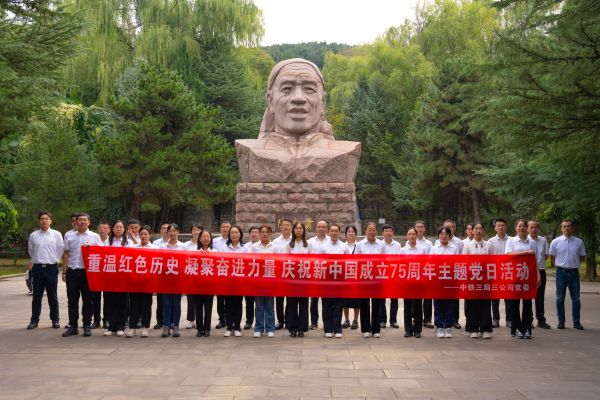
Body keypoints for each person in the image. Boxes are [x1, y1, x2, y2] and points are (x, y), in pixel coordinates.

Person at [62, 212, 103, 337]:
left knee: (87, 300)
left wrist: (92, 248)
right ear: (76, 222)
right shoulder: (69, 236)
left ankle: (86, 325)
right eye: (80, 220)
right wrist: (64, 271)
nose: (82, 222)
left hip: (87, 273)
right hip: (72, 271)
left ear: (89, 222)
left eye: (85, 220)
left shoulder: (94, 236)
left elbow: (101, 252)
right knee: (72, 300)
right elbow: (66, 254)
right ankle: (73, 326)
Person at [26, 211, 64, 330]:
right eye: (42, 219)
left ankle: (55, 320)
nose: (44, 221)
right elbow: (31, 251)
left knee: (52, 295)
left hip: (51, 268)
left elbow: (60, 249)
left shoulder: (56, 234)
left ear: (50, 221)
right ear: (39, 221)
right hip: (37, 268)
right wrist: (36, 260)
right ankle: (34, 321)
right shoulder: (34, 235)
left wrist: (53, 259)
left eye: (46, 219)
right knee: (36, 296)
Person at [505, 219, 540, 339]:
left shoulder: (532, 242)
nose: (521, 228)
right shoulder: (511, 240)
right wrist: (526, 252)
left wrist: (538, 275)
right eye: (519, 226)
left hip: (528, 276)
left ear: (527, 228)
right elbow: (509, 254)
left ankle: (527, 329)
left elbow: (536, 260)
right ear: (515, 228)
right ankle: (516, 329)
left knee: (527, 304)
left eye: (524, 226)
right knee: (514, 304)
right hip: (514, 275)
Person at [550, 219, 586, 330]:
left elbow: (582, 257)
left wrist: (573, 264)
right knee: (560, 298)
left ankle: (576, 322)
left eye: (569, 226)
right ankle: (561, 322)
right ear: (561, 228)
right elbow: (552, 257)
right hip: (561, 272)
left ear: (572, 228)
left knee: (576, 298)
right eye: (564, 226)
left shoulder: (579, 242)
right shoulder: (556, 242)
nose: (567, 228)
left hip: (574, 272)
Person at [463, 223, 493, 339]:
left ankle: (485, 329)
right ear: (472, 231)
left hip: (485, 279)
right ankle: (473, 329)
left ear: (483, 231)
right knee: (472, 305)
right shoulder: (467, 245)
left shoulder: (489, 245)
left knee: (485, 304)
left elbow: (493, 261)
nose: (479, 230)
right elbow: (464, 262)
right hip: (472, 280)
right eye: (476, 228)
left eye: (481, 228)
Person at [321, 223, 350, 338]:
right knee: (326, 305)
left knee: (338, 306)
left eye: (336, 231)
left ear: (339, 232)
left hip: (339, 281)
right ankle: (328, 329)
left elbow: (348, 263)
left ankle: (337, 329)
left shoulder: (344, 247)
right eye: (332, 231)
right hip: (327, 281)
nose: (334, 233)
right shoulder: (323, 247)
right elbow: (320, 263)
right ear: (329, 232)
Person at [249, 224, 279, 338]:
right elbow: (251, 263)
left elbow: (278, 264)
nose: (265, 234)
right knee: (259, 306)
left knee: (270, 306)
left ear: (270, 234)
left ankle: (270, 328)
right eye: (263, 232)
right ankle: (259, 328)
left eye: (267, 232)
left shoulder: (275, 247)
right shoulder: (254, 247)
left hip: (270, 280)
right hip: (258, 281)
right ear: (260, 234)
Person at [355, 222, 384, 338]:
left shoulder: (381, 245)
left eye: (373, 230)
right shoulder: (359, 244)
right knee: (364, 304)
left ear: (376, 231)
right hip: (364, 278)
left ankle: (376, 329)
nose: (372, 232)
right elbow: (355, 261)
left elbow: (385, 260)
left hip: (377, 279)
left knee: (377, 304)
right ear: (365, 231)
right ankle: (365, 329)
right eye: (369, 230)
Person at [431, 226, 459, 338]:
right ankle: (439, 326)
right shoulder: (434, 248)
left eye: (446, 234)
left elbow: (457, 264)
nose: (443, 236)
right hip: (438, 281)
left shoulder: (454, 248)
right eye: (441, 234)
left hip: (450, 281)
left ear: (449, 236)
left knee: (450, 304)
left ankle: (448, 327)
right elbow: (430, 264)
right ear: (438, 236)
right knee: (438, 304)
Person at [126, 226, 154, 338]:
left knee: (146, 305)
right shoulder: (133, 248)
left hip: (148, 282)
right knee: (133, 304)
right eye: (141, 234)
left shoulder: (155, 248)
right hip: (135, 282)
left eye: (146, 234)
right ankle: (132, 327)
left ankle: (145, 327)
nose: (143, 236)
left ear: (149, 235)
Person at [160, 223, 187, 338]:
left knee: (176, 303)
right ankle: (166, 326)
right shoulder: (162, 247)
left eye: (174, 231)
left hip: (178, 280)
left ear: (178, 232)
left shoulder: (183, 247)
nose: (172, 233)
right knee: (166, 303)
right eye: (170, 231)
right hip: (166, 279)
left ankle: (176, 325)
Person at [400, 227, 428, 338]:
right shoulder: (403, 250)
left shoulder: (422, 249)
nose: (411, 236)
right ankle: (408, 329)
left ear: (416, 236)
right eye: (409, 234)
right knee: (407, 306)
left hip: (418, 281)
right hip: (407, 282)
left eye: (413, 234)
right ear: (407, 236)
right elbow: (400, 266)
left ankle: (417, 330)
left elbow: (426, 265)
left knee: (417, 306)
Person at [103, 220, 129, 337]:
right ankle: (111, 326)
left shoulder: (128, 243)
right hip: (109, 277)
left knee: (122, 302)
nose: (118, 229)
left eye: (121, 227)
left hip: (123, 277)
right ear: (112, 229)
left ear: (124, 229)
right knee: (110, 301)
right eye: (116, 227)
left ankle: (120, 326)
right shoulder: (107, 242)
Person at [286, 222, 310, 337]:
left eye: (301, 228)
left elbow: (312, 261)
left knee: (304, 304)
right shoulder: (289, 245)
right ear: (293, 230)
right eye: (296, 228)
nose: (299, 230)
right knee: (291, 304)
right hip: (292, 279)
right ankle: (292, 328)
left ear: (303, 230)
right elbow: (285, 262)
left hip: (304, 279)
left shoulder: (308, 244)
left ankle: (302, 328)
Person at [488, 218, 511, 328]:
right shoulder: (491, 241)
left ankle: (509, 319)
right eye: (498, 225)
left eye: (502, 225)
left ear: (506, 227)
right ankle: (495, 319)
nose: (501, 227)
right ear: (495, 228)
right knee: (495, 297)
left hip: (508, 271)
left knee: (508, 297)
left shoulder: (511, 240)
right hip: (496, 272)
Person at [222, 225, 245, 337]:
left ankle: (237, 327)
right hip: (227, 281)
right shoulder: (224, 248)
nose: (234, 234)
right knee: (228, 304)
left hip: (240, 281)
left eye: (236, 232)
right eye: (232, 233)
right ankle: (229, 327)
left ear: (240, 234)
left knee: (238, 304)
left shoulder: (245, 248)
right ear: (229, 235)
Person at [528, 220, 551, 329]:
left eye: (535, 227)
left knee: (540, 297)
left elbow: (545, 256)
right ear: (528, 228)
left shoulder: (543, 240)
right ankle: (528, 320)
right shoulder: (525, 240)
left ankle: (541, 320)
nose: (533, 229)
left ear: (538, 228)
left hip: (541, 271)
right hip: (527, 272)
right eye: (531, 227)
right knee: (527, 297)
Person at [307, 220, 329, 330]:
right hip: (314, 273)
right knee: (314, 299)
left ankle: (326, 322)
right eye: (319, 227)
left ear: (327, 228)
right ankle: (314, 322)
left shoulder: (330, 240)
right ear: (316, 228)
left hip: (328, 275)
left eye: (323, 227)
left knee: (326, 300)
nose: (321, 229)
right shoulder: (310, 242)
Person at [194, 229, 215, 337]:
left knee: (208, 308)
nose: (206, 238)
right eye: (203, 236)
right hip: (197, 285)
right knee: (198, 308)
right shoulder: (194, 251)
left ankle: (207, 328)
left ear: (210, 238)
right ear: (200, 238)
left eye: (208, 236)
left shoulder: (215, 252)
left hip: (209, 285)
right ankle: (199, 329)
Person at [380, 224, 401, 329]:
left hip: (394, 275)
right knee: (381, 299)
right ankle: (382, 320)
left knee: (394, 299)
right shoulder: (379, 244)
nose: (388, 233)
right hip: (382, 275)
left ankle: (393, 320)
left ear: (393, 232)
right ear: (382, 233)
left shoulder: (397, 245)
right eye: (386, 231)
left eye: (390, 231)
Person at [273, 219, 293, 330]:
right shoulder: (275, 241)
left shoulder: (295, 240)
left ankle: (289, 320)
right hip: (279, 274)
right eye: (284, 225)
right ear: (280, 227)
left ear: (291, 227)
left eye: (288, 225)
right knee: (279, 299)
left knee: (290, 299)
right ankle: (280, 320)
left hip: (291, 274)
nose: (286, 227)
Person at [414, 220, 434, 329]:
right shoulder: (410, 241)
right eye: (417, 227)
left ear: (424, 229)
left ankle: (427, 320)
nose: (419, 229)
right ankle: (416, 318)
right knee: (415, 298)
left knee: (427, 297)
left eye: (421, 227)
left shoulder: (429, 243)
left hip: (426, 272)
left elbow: (431, 258)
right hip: (414, 273)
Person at [212, 221, 231, 330]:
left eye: (227, 227)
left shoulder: (234, 240)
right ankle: (221, 320)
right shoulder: (215, 241)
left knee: (230, 299)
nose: (225, 229)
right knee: (220, 299)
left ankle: (229, 318)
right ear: (220, 229)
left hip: (231, 274)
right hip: (219, 273)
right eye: (223, 227)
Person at [91, 221, 110, 329]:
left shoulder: (111, 242)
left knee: (107, 298)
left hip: (107, 273)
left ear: (109, 230)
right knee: (95, 298)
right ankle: (96, 320)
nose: (102, 229)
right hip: (96, 273)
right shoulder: (93, 240)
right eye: (100, 228)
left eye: (105, 228)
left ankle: (106, 319)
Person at [184, 224, 203, 330]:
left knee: (201, 299)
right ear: (191, 231)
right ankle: (191, 320)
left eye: (198, 230)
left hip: (203, 275)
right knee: (190, 299)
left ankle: (201, 319)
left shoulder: (205, 244)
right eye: (194, 230)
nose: (196, 232)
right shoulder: (186, 245)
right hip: (190, 275)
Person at [342, 225, 360, 330]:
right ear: (345, 234)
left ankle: (355, 320)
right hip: (345, 277)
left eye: (353, 231)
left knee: (357, 299)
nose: (351, 233)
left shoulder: (359, 246)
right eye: (349, 231)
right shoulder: (342, 246)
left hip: (357, 277)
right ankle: (346, 319)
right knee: (345, 300)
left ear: (355, 233)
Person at [152, 222, 169, 330]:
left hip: (172, 275)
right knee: (160, 299)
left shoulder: (180, 244)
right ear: (160, 230)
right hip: (160, 274)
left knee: (171, 300)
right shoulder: (156, 243)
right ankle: (160, 321)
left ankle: (171, 321)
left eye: (168, 228)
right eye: (163, 228)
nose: (166, 230)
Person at [243, 226, 260, 330]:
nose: (254, 234)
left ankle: (259, 322)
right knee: (249, 302)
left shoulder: (262, 246)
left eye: (256, 232)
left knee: (259, 302)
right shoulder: (245, 247)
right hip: (249, 279)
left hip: (260, 279)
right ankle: (249, 321)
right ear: (249, 234)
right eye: (252, 232)